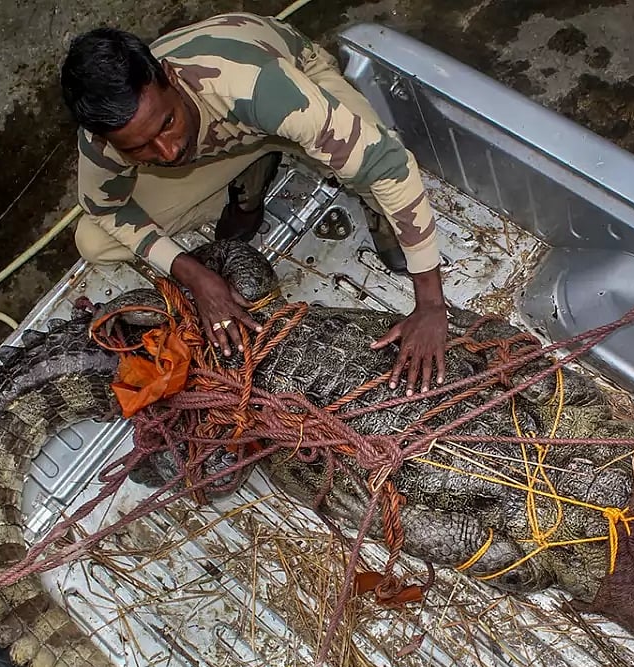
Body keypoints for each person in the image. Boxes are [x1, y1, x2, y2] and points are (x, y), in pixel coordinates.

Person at [59, 12, 448, 394]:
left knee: (369, 167)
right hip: (224, 143)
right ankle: (251, 169)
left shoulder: (259, 87)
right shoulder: (103, 143)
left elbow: (391, 165)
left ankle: (351, 192)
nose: (167, 149)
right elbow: (106, 209)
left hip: (286, 94)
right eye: (139, 147)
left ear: (171, 78)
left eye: (166, 122)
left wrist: (430, 303)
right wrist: (193, 273)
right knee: (94, 241)